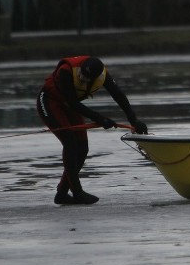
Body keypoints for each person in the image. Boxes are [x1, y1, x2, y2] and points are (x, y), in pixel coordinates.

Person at [36, 56, 148, 205]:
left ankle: (62, 193)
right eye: (81, 74)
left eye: (87, 77)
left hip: (70, 105)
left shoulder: (103, 75)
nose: (82, 78)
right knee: (70, 142)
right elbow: (74, 103)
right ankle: (77, 192)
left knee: (82, 148)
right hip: (50, 102)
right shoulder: (66, 71)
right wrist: (100, 119)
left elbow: (119, 96)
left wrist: (134, 121)